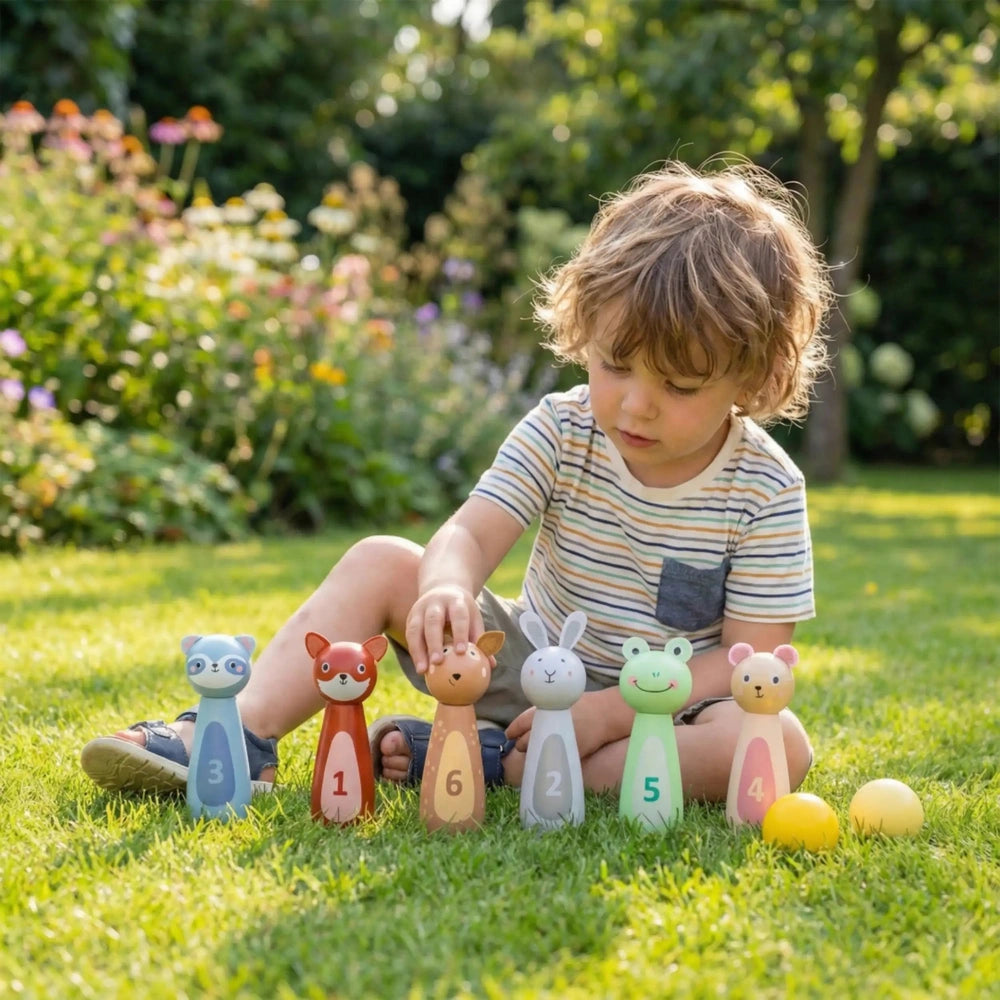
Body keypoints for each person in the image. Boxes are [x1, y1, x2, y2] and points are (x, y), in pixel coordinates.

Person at [81, 157, 833, 803]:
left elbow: (745, 660)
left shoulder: (763, 488)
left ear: (753, 375)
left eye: (679, 383)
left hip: (659, 715)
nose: (636, 403)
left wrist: (609, 710)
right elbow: (472, 532)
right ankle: (237, 733)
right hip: (528, 663)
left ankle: (493, 759)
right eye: (615, 365)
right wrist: (444, 585)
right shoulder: (564, 428)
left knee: (776, 743)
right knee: (382, 559)